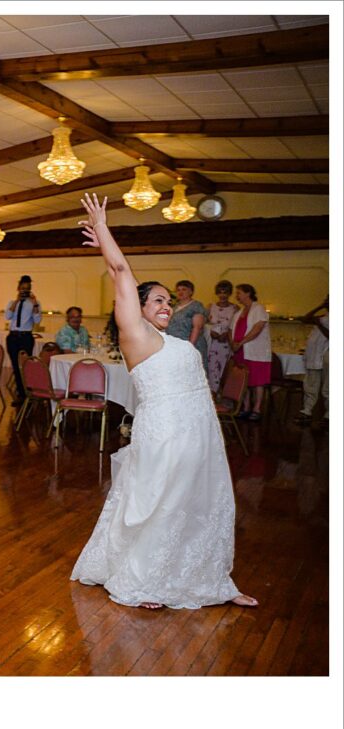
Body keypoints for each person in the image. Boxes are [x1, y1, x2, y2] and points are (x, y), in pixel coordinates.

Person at [70, 193, 256, 610]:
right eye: (158, 299)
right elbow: (120, 270)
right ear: (135, 307)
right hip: (165, 432)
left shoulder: (172, 339)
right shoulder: (135, 334)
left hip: (198, 433)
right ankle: (144, 580)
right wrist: (102, 228)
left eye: (169, 301)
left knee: (197, 504)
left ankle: (210, 579)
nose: (166, 305)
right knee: (159, 502)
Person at [229, 283, 271, 422]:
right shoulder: (239, 311)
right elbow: (230, 330)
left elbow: (257, 328)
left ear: (248, 293)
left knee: (257, 380)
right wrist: (233, 343)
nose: (237, 296)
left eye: (239, 293)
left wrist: (241, 342)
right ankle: (245, 406)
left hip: (254, 351)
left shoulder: (258, 308)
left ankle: (257, 408)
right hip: (240, 350)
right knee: (244, 380)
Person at [4, 275, 42, 405]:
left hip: (26, 337)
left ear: (30, 289)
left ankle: (29, 392)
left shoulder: (34, 303)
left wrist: (35, 303)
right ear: (18, 289)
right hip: (13, 337)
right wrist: (16, 301)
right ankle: (21, 394)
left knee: (26, 366)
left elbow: (37, 320)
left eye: (27, 289)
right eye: (23, 288)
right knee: (15, 366)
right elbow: (7, 316)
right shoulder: (11, 302)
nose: (25, 291)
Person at [294, 296, 329, 426]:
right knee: (310, 385)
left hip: (327, 356)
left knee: (328, 388)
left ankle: (329, 415)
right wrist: (320, 306)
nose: (327, 301)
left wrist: (319, 323)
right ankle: (307, 411)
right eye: (326, 299)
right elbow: (305, 319)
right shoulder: (324, 316)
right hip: (314, 355)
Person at [167, 279, 208, 372]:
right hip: (176, 347)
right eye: (178, 290)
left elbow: (197, 328)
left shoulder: (196, 306)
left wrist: (189, 347)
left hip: (190, 345)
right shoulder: (175, 307)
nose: (180, 292)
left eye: (184, 289)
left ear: (191, 292)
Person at [206, 280, 239, 395]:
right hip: (212, 343)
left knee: (225, 370)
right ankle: (212, 395)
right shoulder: (211, 307)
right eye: (220, 292)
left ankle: (224, 395)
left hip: (226, 343)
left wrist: (227, 334)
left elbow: (237, 326)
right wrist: (211, 331)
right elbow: (205, 324)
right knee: (211, 369)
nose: (222, 295)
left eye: (225, 292)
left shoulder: (235, 308)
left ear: (229, 294)